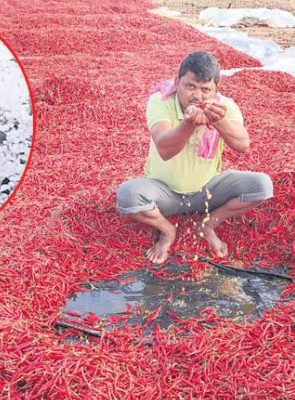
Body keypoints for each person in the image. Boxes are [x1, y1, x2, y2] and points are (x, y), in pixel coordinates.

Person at [116, 51, 273, 264]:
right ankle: (167, 230)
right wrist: (189, 123)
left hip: (207, 190)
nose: (197, 97)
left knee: (262, 185)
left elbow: (243, 145)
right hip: (164, 192)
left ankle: (207, 225)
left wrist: (218, 121)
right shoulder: (160, 101)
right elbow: (165, 148)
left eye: (205, 90)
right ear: (177, 81)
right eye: (190, 86)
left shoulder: (224, 107)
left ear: (216, 89)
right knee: (128, 195)